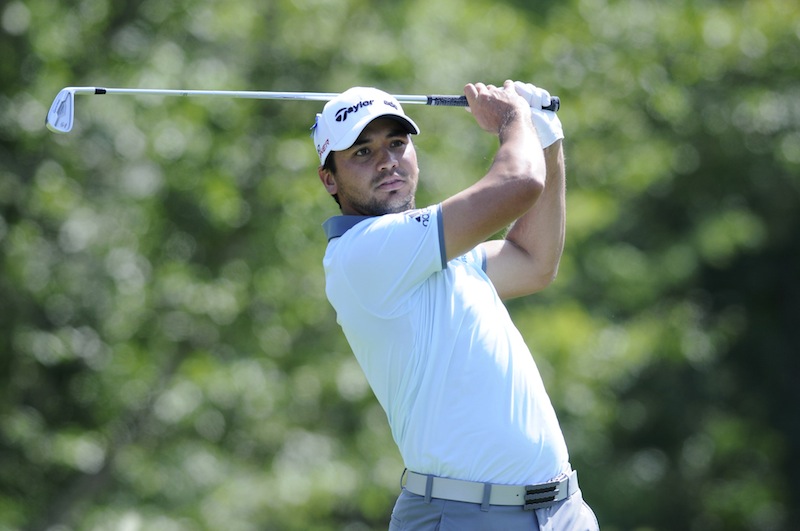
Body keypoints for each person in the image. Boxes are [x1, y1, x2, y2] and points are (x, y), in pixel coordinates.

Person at [311, 80, 599, 530]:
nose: (387, 161)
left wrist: (546, 136)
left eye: (397, 143)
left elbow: (533, 262)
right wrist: (513, 119)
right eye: (362, 152)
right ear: (329, 178)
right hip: (464, 516)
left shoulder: (431, 253)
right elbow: (519, 183)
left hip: (561, 509)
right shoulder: (363, 252)